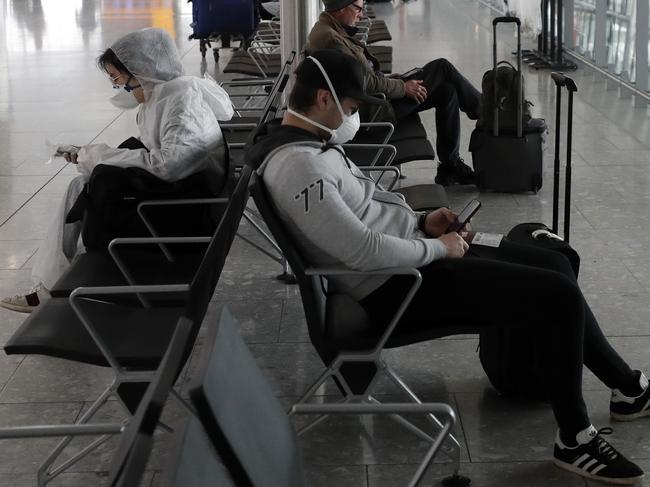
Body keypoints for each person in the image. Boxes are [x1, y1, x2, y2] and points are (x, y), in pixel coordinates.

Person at [245, 49, 649, 485]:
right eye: (351, 107)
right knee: (558, 295)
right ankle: (575, 439)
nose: (352, 117)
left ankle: (628, 389)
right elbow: (362, 251)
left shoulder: (311, 145)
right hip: (402, 286)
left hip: (415, 254)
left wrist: (423, 221)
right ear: (323, 98)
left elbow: (368, 215)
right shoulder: (299, 168)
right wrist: (440, 249)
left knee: (553, 262)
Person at [0, 28, 234, 313]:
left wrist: (101, 157)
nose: (119, 87)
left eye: (120, 79)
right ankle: (53, 282)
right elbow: (152, 153)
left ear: (143, 71)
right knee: (82, 184)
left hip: (184, 211)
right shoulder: (165, 95)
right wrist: (96, 156)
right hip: (176, 196)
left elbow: (167, 166)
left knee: (92, 184)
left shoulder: (181, 101)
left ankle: (56, 284)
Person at [305, 0, 482, 186]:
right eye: (358, 8)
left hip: (374, 98)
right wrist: (402, 86)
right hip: (374, 108)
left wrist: (393, 78)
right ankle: (484, 111)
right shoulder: (330, 39)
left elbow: (361, 76)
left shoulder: (330, 30)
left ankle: (450, 167)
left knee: (447, 91)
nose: (362, 14)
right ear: (340, 8)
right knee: (442, 67)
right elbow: (363, 83)